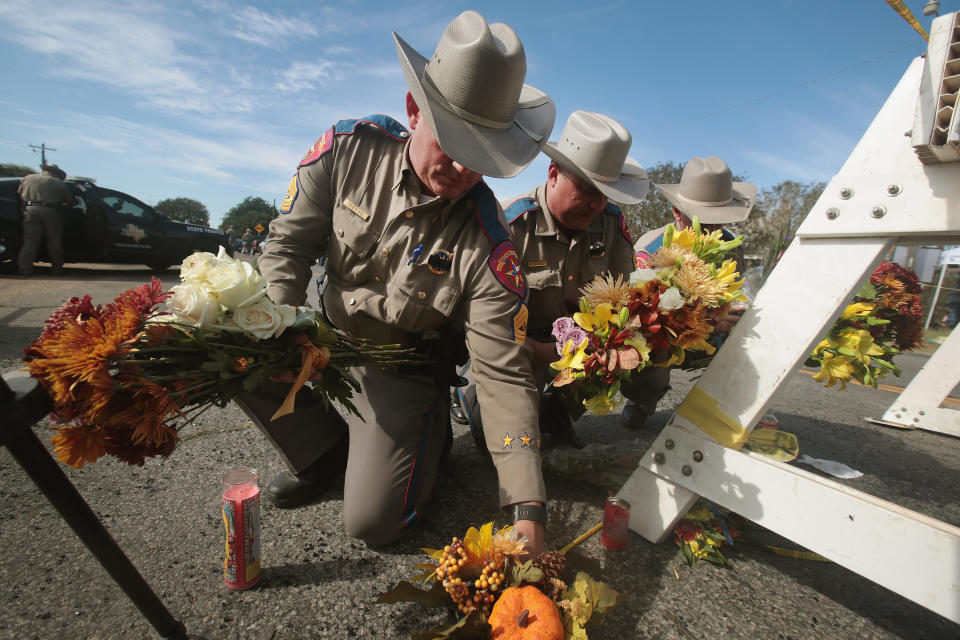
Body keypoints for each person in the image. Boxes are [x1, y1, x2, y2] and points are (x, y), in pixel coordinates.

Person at [238, 11, 555, 554]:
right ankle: (326, 455)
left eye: (481, 156)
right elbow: (288, 248)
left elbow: (502, 372)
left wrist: (526, 507)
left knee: (373, 524)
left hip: (401, 369)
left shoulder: (490, 243)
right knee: (239, 347)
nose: (461, 167)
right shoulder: (346, 149)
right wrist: (278, 327)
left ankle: (428, 434)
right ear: (414, 109)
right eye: (453, 141)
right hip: (327, 340)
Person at [450, 111, 649, 449]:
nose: (596, 205)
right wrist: (548, 353)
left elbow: (627, 300)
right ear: (554, 174)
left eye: (605, 194)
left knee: (631, 352)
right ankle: (469, 393)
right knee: (502, 442)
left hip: (579, 345)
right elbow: (481, 323)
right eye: (586, 190)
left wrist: (605, 348)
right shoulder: (510, 225)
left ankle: (556, 410)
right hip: (516, 346)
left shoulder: (612, 225)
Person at [623, 155, 756, 428]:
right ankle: (643, 398)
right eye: (701, 220)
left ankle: (723, 408)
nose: (711, 229)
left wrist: (728, 316)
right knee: (650, 361)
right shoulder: (651, 248)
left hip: (712, 332)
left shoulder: (732, 246)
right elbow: (639, 317)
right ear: (676, 212)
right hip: (661, 334)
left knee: (750, 342)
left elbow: (732, 291)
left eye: (718, 220)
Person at [16, 163, 76, 276]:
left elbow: (19, 194)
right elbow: (70, 202)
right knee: (54, 241)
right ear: (57, 173)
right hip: (50, 211)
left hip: (29, 210)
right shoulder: (59, 184)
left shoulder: (28, 178)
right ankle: (57, 268)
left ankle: (25, 269)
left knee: (30, 242)